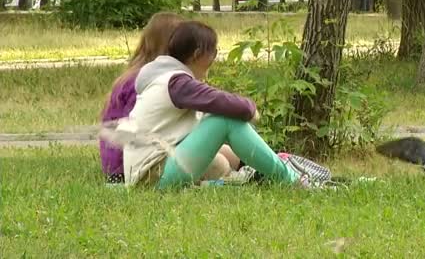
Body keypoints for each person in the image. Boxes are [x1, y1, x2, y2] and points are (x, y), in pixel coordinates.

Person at [113, 20, 307, 189]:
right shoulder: (178, 83)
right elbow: (233, 106)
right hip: (153, 177)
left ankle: (268, 172)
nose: (215, 56)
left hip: (150, 172)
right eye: (214, 51)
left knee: (222, 138)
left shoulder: (166, 78)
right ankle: (290, 180)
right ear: (198, 54)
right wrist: (252, 109)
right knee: (225, 121)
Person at [99, 12, 240, 185]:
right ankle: (228, 179)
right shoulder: (149, 83)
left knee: (227, 152)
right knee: (220, 163)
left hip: (151, 154)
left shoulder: (147, 75)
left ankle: (253, 167)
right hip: (127, 168)